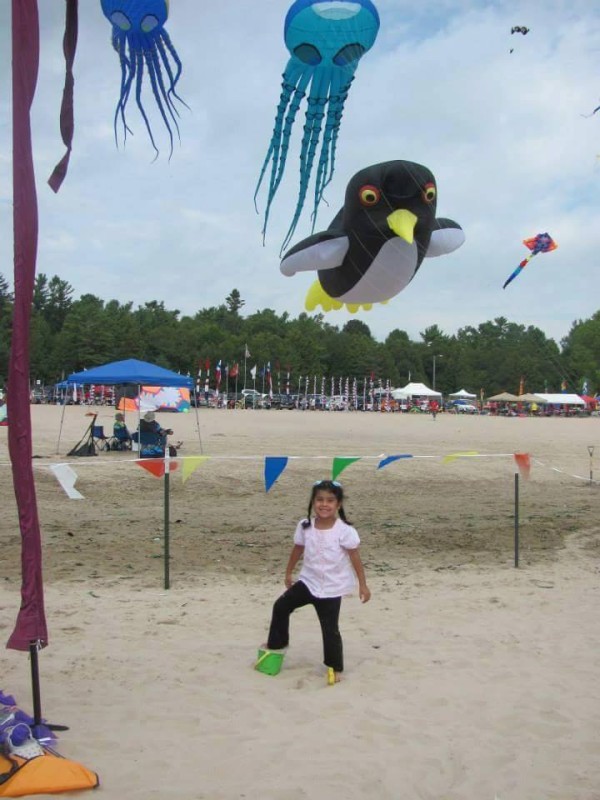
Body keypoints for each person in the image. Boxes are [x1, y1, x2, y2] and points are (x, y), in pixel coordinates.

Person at [263, 480, 370, 684]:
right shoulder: (305, 526)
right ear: (313, 502)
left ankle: (335, 668)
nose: (324, 504)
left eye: (330, 500)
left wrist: (362, 585)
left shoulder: (344, 531)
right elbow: (297, 549)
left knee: (330, 629)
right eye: (319, 500)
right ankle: (276, 646)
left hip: (332, 588)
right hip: (308, 583)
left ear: (338, 505)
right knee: (281, 606)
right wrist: (288, 572)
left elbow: (355, 557)